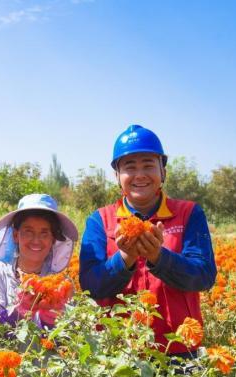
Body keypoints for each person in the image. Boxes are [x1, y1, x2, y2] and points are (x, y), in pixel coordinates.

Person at [79, 125, 217, 357]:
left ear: (163, 171)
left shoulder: (189, 213)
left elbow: (204, 276)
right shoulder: (100, 220)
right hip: (117, 354)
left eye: (148, 165)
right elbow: (90, 286)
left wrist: (159, 258)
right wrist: (125, 259)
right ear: (117, 176)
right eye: (129, 167)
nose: (139, 174)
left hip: (178, 351)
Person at [0, 193, 78, 328]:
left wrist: (54, 323)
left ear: (53, 240)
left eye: (44, 233)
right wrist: (21, 310)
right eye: (28, 231)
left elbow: (73, 334)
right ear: (16, 236)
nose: (36, 240)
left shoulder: (62, 284)